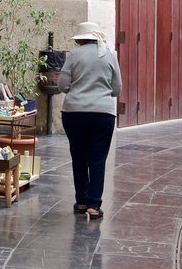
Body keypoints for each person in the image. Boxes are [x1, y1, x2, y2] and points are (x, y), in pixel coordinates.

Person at [58, 21, 122, 220]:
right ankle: (94, 205)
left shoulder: (73, 56)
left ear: (80, 39)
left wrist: (77, 90)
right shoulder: (110, 54)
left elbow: (62, 86)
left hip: (74, 113)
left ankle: (81, 200)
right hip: (103, 114)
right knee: (97, 159)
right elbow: (117, 89)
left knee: (79, 157)